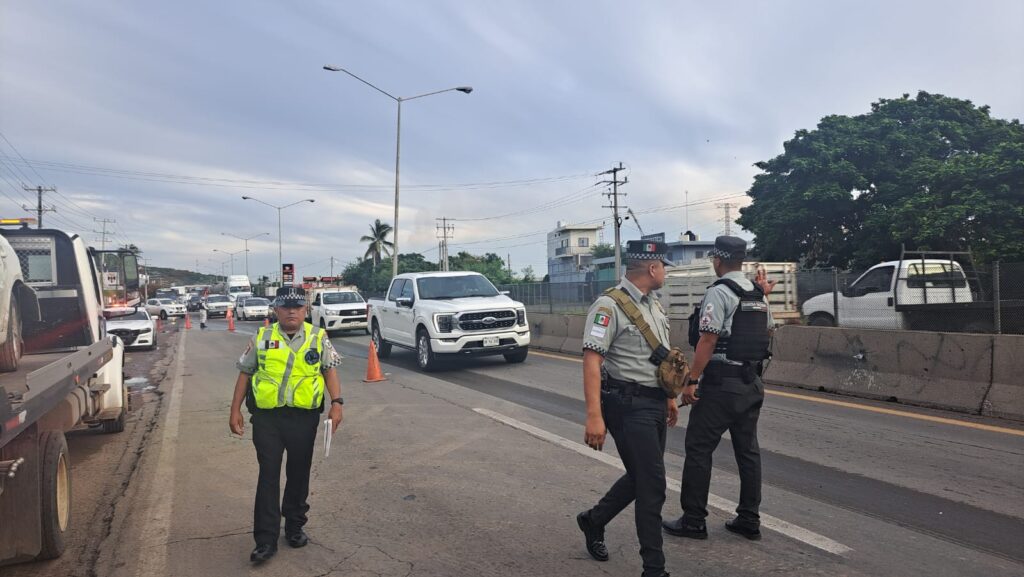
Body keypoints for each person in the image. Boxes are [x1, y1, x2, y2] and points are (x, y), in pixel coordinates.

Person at [663, 236, 774, 542]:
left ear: (718, 260)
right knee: (748, 451)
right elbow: (767, 330)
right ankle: (749, 519)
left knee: (698, 448)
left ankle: (694, 520)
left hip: (720, 385)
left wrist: (692, 380)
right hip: (751, 383)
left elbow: (708, 340)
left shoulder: (719, 292)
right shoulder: (759, 294)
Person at [577, 240, 678, 577]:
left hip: (653, 403)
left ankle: (593, 520)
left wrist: (668, 397)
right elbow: (592, 360)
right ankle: (654, 569)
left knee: (641, 478)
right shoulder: (608, 307)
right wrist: (594, 416)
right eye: (663, 266)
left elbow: (658, 357)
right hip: (626, 405)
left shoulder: (654, 305)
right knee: (652, 485)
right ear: (651, 268)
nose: (665, 271)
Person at [228, 286, 344, 564]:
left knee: (299, 471)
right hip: (268, 419)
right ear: (276, 309)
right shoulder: (262, 336)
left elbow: (329, 369)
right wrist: (234, 410)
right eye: (285, 306)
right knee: (268, 474)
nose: (292, 311)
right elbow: (245, 373)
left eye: (298, 307)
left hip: (304, 418)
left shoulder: (318, 337)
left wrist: (337, 403)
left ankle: (294, 526)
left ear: (306, 310)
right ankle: (265, 541)